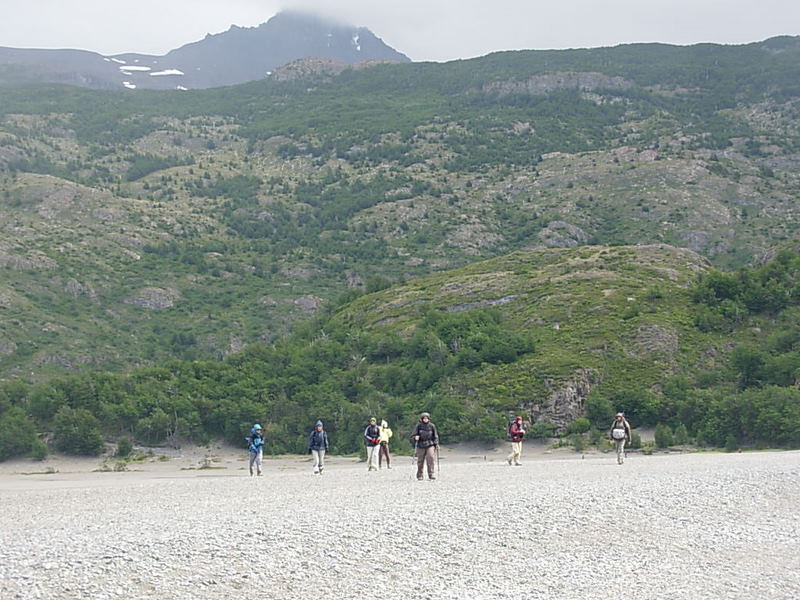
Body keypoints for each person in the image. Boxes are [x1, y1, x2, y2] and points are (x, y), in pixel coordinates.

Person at [411, 412, 439, 480]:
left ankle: (431, 474)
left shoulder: (432, 426)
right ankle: (420, 475)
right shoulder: (418, 426)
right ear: (422, 419)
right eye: (424, 418)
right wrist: (415, 437)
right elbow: (412, 436)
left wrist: (436, 444)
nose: (425, 419)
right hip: (420, 445)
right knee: (420, 460)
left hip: (430, 444)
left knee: (430, 458)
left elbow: (435, 436)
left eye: (427, 418)